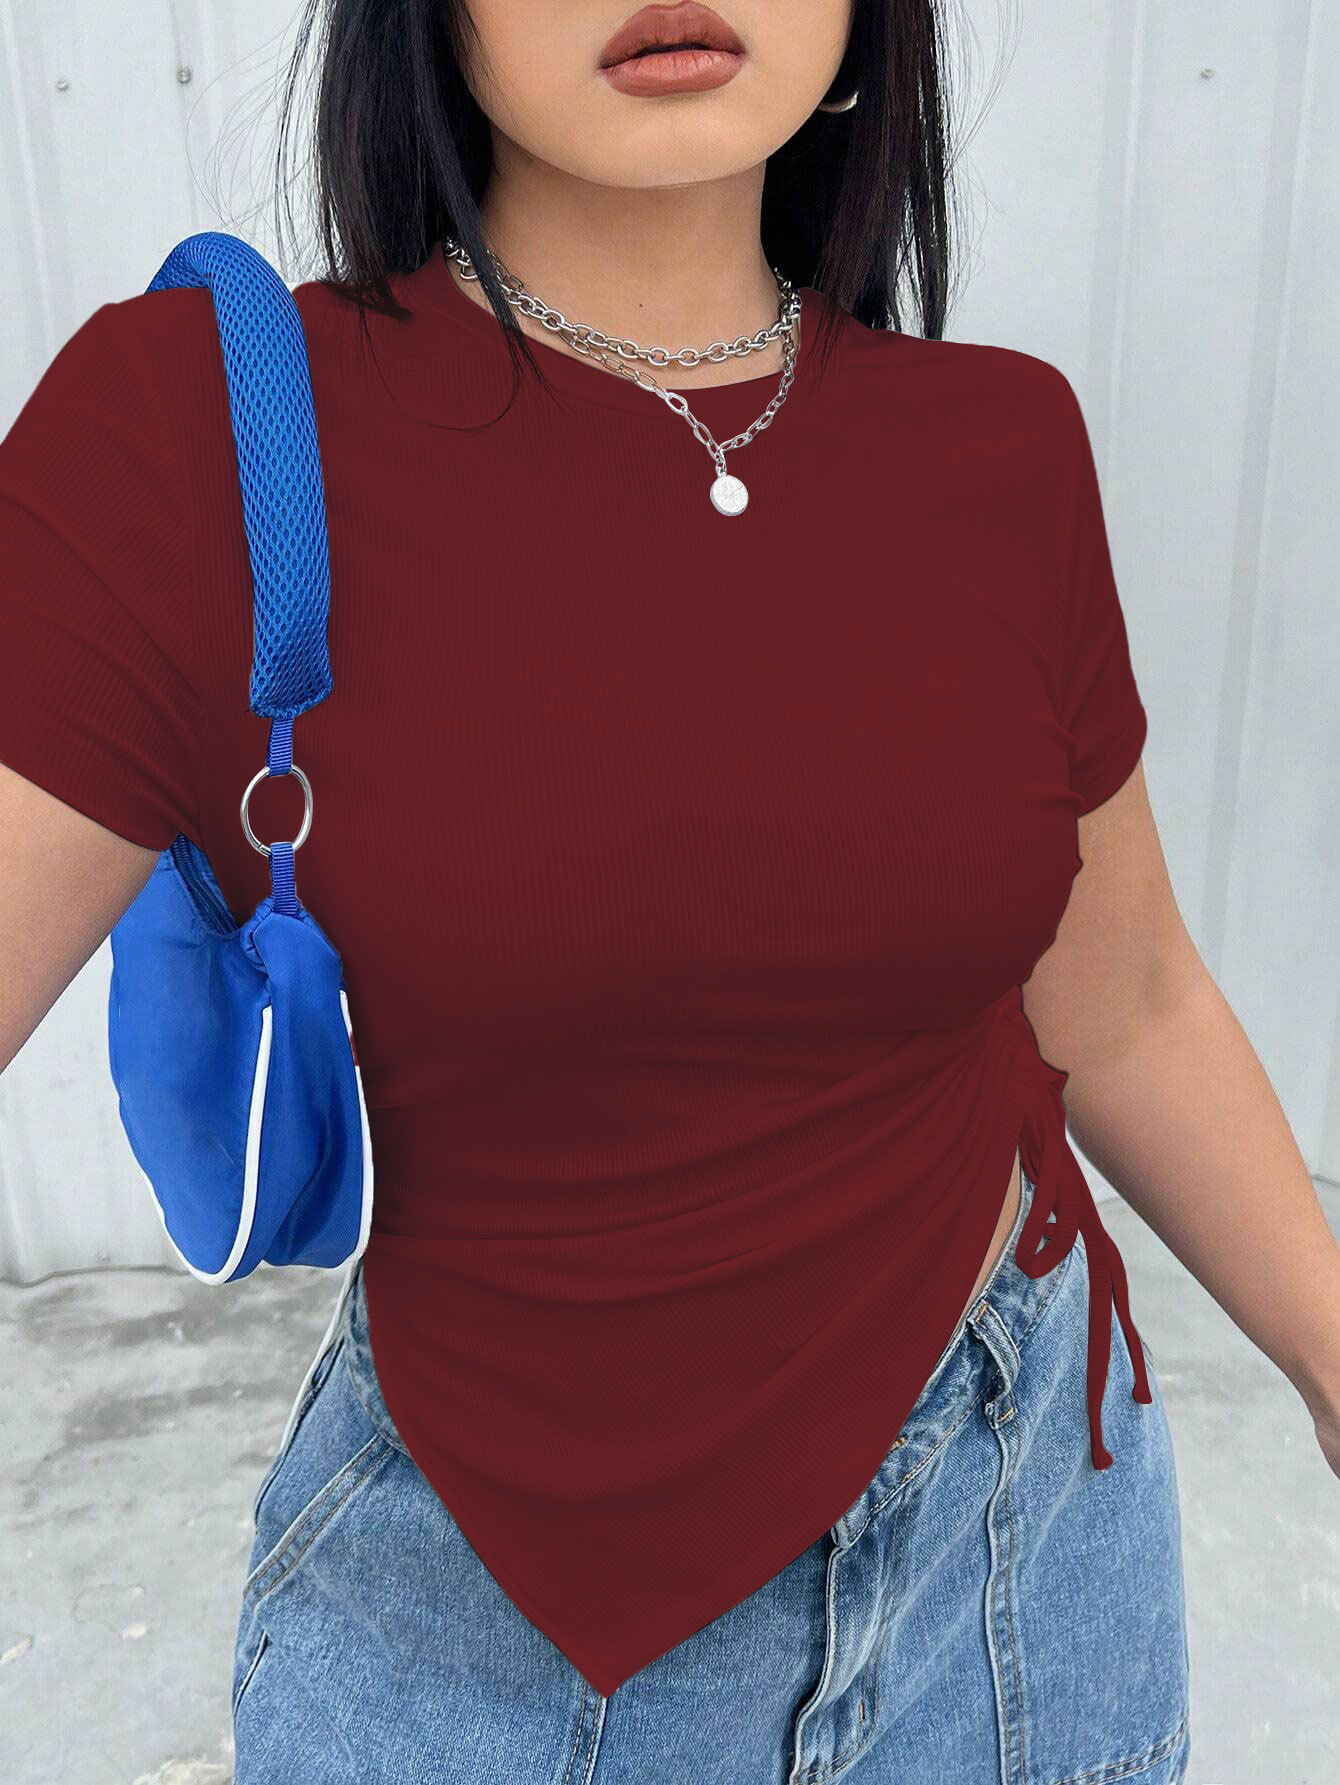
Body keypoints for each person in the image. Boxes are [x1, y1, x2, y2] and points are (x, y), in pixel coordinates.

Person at [2, 2, 1337, 1779]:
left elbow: (1130, 999)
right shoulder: (200, 429)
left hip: (1026, 1561)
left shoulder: (1003, 445)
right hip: (490, 1636)